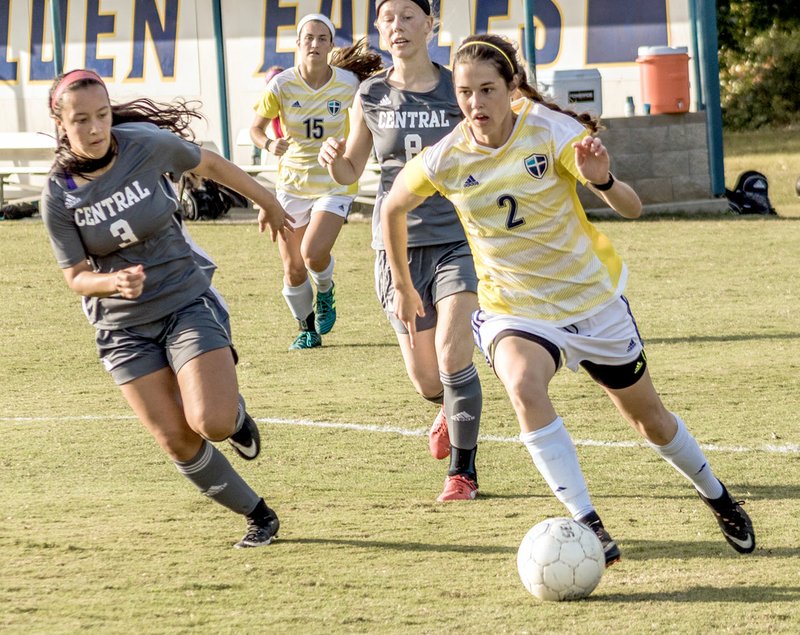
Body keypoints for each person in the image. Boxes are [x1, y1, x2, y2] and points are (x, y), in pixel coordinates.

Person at [380, 34, 756, 563]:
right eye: (465, 93)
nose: (475, 104)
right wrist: (400, 284)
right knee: (522, 384)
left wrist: (602, 178)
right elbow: (392, 207)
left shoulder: (551, 131)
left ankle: (717, 496)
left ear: (512, 89)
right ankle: (589, 525)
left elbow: (631, 208)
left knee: (652, 422)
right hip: (516, 308)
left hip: (592, 303)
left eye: (487, 90)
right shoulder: (447, 158)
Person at [41, 69, 293, 548]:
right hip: (122, 330)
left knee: (212, 422)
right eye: (81, 121)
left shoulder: (144, 144)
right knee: (176, 438)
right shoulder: (59, 195)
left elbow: (211, 165)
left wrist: (268, 201)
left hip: (183, 300)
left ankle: (235, 417)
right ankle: (259, 517)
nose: (96, 129)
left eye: (102, 115)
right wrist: (111, 281)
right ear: (61, 125)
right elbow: (76, 277)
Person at [317, 0, 483, 502]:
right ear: (379, 29)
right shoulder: (369, 94)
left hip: (457, 239)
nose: (397, 27)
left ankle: (463, 473)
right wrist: (334, 164)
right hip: (396, 249)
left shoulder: (459, 88)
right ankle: (445, 407)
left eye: (409, 16)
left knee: (454, 356)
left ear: (431, 24)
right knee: (426, 376)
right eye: (388, 18)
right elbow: (351, 170)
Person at [250, 15, 382, 350]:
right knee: (293, 269)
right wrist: (268, 143)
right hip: (292, 184)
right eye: (308, 38)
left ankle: (325, 290)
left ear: (330, 45)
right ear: (298, 44)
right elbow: (256, 128)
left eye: (323, 38)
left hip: (334, 182)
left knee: (312, 253)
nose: (315, 44)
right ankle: (307, 328)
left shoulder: (349, 84)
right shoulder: (280, 85)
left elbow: (368, 123)